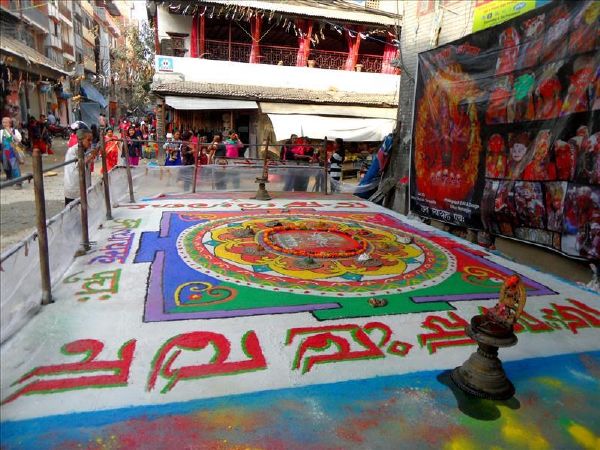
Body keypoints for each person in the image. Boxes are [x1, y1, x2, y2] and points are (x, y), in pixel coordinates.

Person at [64, 122, 98, 205]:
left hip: (83, 186)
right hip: (74, 188)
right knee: (73, 212)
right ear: (80, 139)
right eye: (88, 140)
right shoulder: (73, 151)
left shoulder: (85, 150)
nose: (90, 142)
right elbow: (78, 166)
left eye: (91, 140)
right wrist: (90, 157)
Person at [1, 116, 24, 188]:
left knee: (14, 166)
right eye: (3, 122)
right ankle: (11, 179)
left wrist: (11, 133)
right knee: (6, 166)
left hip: (12, 151)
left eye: (5, 122)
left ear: (10, 123)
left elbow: (18, 140)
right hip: (5, 151)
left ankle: (18, 182)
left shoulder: (14, 131)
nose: (4, 124)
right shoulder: (1, 132)